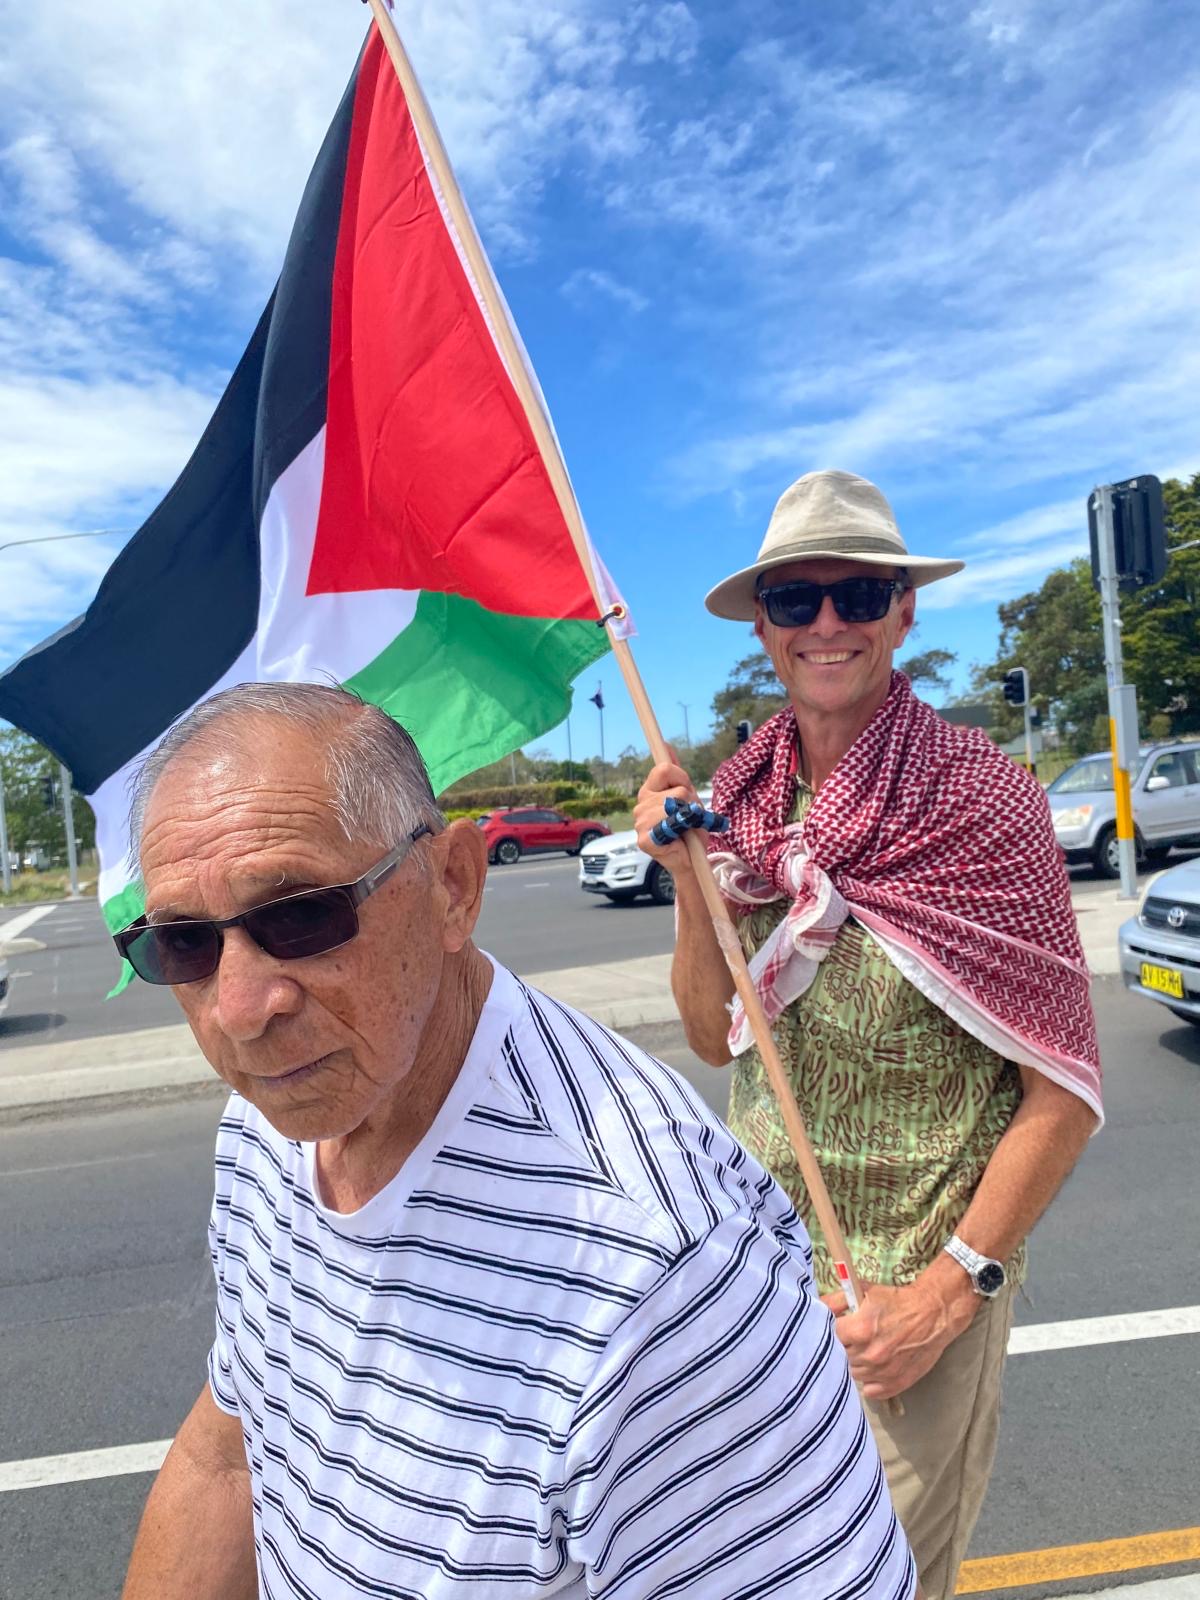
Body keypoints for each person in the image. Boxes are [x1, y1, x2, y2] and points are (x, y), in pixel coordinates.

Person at [118, 681, 915, 1600]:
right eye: (184, 944)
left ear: (453, 887)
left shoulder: (662, 1277)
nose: (239, 1009)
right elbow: (231, 1449)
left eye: (300, 915)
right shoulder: (269, 1120)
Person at [635, 470, 1102, 1600]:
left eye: (858, 594)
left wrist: (948, 1295)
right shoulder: (743, 804)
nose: (828, 623)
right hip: (761, 1287)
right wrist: (689, 878)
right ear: (764, 628)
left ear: (903, 611)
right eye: (797, 599)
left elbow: (1063, 1093)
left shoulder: (983, 801)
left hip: (911, 1304)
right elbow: (713, 1038)